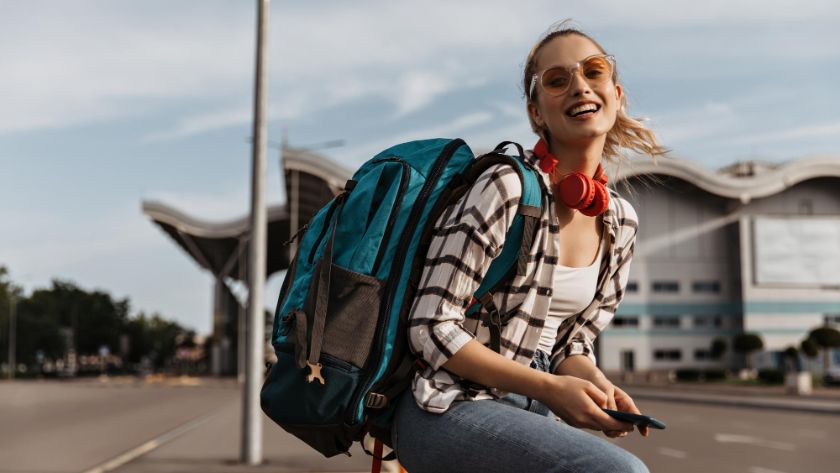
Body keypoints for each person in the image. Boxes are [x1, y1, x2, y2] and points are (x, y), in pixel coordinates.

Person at [390, 21, 668, 473]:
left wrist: (596, 387)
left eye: (593, 72)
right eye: (558, 80)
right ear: (536, 112)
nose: (580, 85)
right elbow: (432, 327)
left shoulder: (621, 222)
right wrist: (549, 388)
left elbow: (570, 342)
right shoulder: (506, 187)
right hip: (445, 403)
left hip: (529, 408)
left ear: (617, 95)